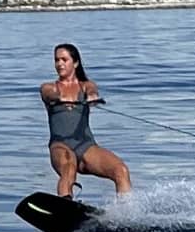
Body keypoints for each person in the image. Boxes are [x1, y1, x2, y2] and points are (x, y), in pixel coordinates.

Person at [41, 43, 131, 198]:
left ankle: (126, 209)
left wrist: (92, 97)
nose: (59, 64)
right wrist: (60, 97)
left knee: (120, 170)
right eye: (57, 60)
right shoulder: (49, 87)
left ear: (75, 63)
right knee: (69, 168)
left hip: (86, 146)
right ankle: (65, 203)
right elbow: (49, 94)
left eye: (64, 60)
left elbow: (92, 91)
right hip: (60, 145)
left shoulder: (86, 86)